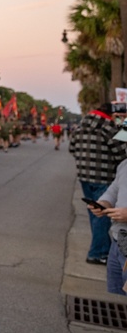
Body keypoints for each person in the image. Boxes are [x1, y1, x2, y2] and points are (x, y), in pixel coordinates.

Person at [69, 102, 127, 264]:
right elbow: (121, 152)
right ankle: (98, 252)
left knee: (96, 213)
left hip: (84, 176)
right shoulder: (109, 128)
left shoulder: (80, 127)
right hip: (105, 177)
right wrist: (124, 125)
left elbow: (71, 149)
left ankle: (104, 248)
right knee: (103, 216)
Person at [90, 156, 127, 295]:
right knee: (118, 293)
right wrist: (104, 203)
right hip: (120, 238)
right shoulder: (124, 164)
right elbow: (114, 190)